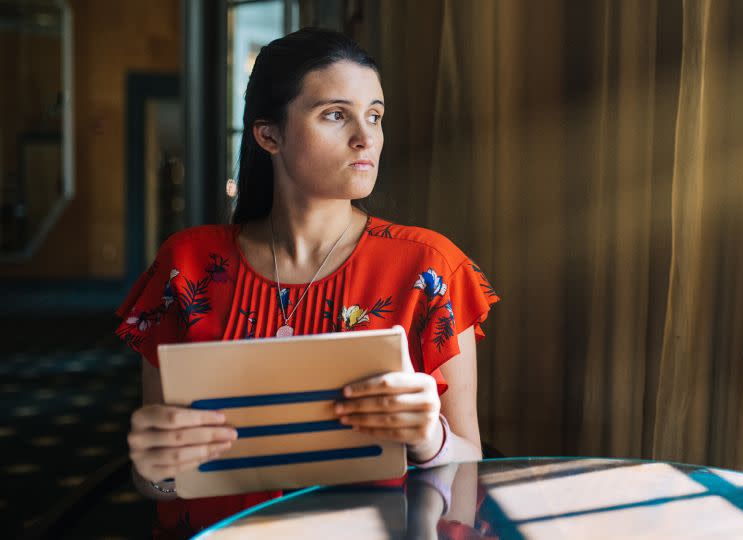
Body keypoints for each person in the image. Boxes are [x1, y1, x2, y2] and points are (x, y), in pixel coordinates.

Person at [115, 28, 499, 539]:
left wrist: (429, 438)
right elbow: (159, 477)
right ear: (268, 134)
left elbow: (470, 460)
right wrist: (155, 469)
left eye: (375, 115)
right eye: (335, 114)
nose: (366, 137)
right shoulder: (187, 264)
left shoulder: (428, 269)